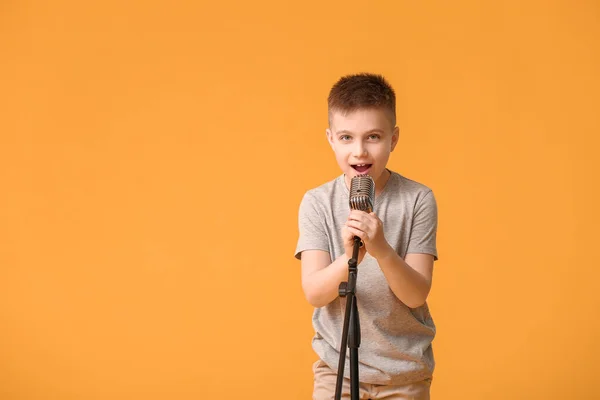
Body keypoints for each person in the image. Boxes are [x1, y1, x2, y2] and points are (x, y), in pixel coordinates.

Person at [295, 73, 439, 400]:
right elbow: (315, 293)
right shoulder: (317, 202)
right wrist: (350, 258)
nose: (359, 151)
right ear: (330, 138)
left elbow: (416, 294)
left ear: (394, 138)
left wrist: (382, 250)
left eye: (373, 136)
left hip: (403, 372)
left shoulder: (417, 199)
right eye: (346, 137)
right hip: (338, 370)